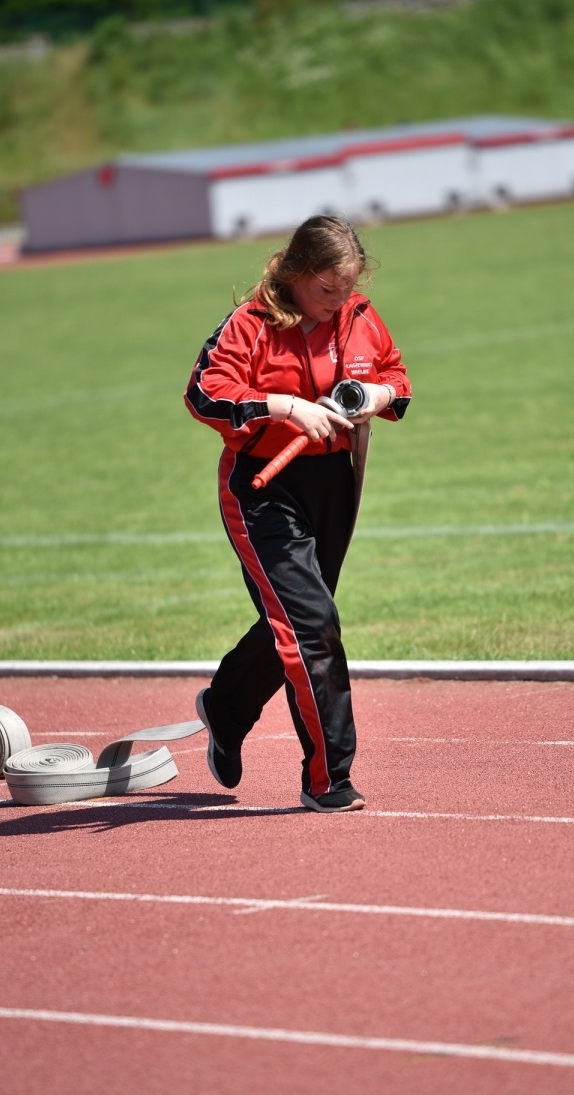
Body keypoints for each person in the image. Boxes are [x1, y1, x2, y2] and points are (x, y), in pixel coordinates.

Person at [184, 214, 411, 811]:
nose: (339, 302)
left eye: (348, 287)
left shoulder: (360, 316)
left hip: (335, 483)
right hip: (263, 489)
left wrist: (376, 397)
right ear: (294, 273)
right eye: (326, 289)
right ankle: (328, 778)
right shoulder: (252, 323)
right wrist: (285, 406)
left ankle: (226, 706)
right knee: (310, 625)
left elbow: (396, 376)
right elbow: (204, 394)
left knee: (301, 618)